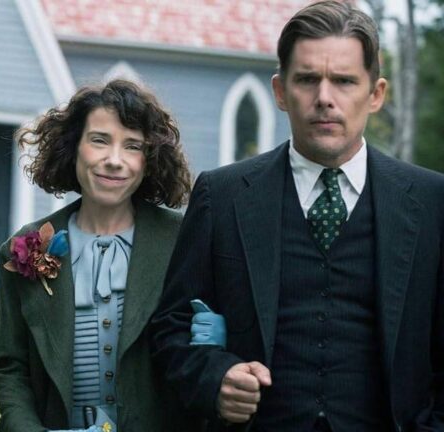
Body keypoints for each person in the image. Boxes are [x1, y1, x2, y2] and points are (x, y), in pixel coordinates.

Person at [150, 1, 444, 431]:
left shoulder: (432, 202)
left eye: (344, 81)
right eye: (307, 79)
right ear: (281, 91)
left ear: (376, 94)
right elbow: (171, 327)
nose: (325, 98)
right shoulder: (222, 195)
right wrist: (214, 380)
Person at [0, 79, 197, 432]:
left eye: (132, 146)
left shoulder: (185, 239)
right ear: (73, 147)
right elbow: (8, 366)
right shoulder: (24, 246)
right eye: (99, 140)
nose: (114, 161)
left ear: (149, 159)